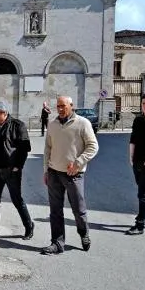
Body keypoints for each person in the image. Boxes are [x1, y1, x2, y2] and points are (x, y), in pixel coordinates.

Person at [41, 96, 99, 255]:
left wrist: (79, 162)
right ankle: (57, 243)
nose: (60, 109)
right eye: (58, 106)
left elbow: (93, 147)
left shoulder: (83, 123)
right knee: (55, 211)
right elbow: (47, 149)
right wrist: (46, 170)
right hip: (54, 173)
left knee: (78, 209)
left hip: (74, 174)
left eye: (63, 106)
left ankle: (83, 233)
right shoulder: (52, 124)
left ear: (71, 106)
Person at [0, 101, 34, 241]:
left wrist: (18, 166)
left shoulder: (18, 125)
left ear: (5, 113)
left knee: (17, 200)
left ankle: (29, 226)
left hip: (12, 170)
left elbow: (24, 148)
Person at [126, 94, 145, 235]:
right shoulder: (138, 120)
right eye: (143, 103)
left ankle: (140, 224)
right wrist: (131, 157)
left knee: (142, 194)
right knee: (142, 190)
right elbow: (132, 139)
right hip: (137, 161)